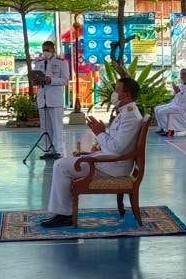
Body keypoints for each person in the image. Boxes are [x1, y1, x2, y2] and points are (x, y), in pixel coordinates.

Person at [39, 77, 144, 228]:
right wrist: (93, 150)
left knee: (60, 166)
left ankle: (64, 215)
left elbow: (117, 148)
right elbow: (117, 144)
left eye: (117, 90)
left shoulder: (130, 116)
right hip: (111, 161)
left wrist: (100, 133)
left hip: (113, 167)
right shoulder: (126, 112)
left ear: (126, 95)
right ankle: (63, 213)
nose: (114, 93)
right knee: (64, 163)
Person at [154, 68, 186, 135]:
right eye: (181, 74)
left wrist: (177, 91)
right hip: (175, 104)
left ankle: (167, 130)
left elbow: (184, 99)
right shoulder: (182, 84)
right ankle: (161, 127)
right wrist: (176, 90)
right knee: (156, 108)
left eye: (183, 74)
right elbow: (178, 95)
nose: (181, 76)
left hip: (182, 108)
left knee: (161, 112)